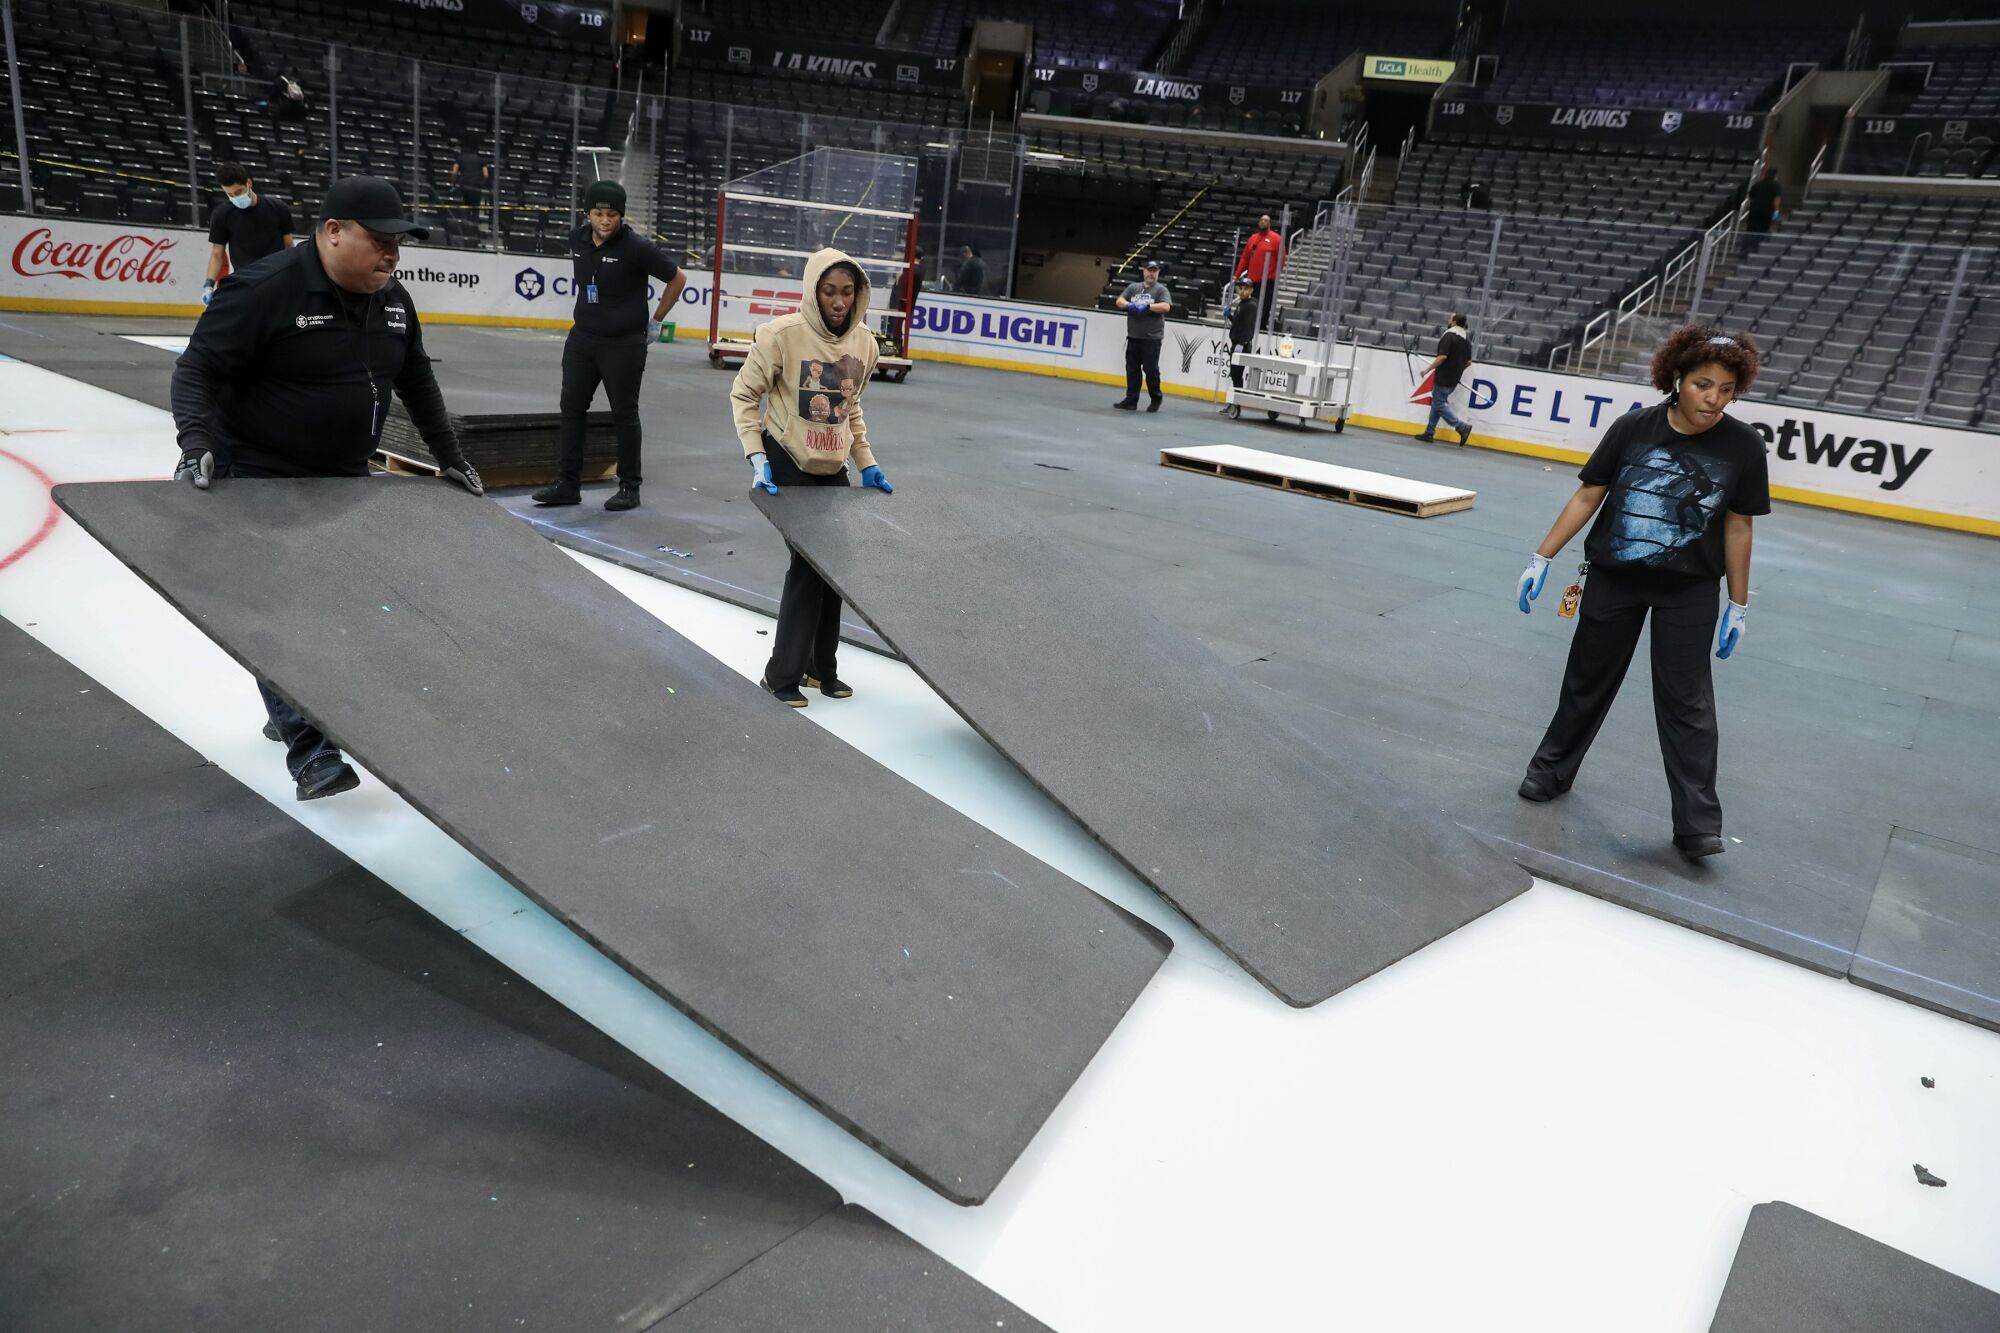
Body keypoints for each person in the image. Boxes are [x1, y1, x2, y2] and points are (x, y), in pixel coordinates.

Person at [169, 175, 484, 802]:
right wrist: (195, 444)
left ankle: (288, 701)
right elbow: (196, 368)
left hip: (343, 476)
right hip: (257, 471)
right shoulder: (265, 288)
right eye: (381, 241)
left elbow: (416, 378)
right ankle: (313, 752)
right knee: (277, 610)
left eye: (400, 244)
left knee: (341, 606)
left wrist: (449, 456)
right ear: (333, 231)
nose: (393, 256)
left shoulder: (393, 299)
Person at [1514, 325, 1769, 860]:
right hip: (1614, 577)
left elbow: (1739, 527)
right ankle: (1551, 771)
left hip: (1690, 590)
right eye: (1704, 385)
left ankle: (1697, 822)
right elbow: (1589, 496)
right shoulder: (1633, 428)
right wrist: (1543, 557)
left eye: (1726, 389)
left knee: (1687, 703)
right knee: (1587, 680)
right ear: (1676, 378)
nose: (1714, 399)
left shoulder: (1744, 445)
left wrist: (1739, 604)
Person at [730, 248, 892, 709]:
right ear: (813, 291)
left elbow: (850, 408)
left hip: (832, 466)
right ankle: (780, 676)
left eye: (847, 292)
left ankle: (822, 669)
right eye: (829, 291)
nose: (839, 301)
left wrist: (866, 461)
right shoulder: (780, 336)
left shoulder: (865, 344)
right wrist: (756, 456)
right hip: (785, 460)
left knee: (834, 570)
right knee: (808, 565)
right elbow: (744, 395)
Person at [530, 180, 685, 512]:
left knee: (624, 414)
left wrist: (656, 320)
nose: (604, 221)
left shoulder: (637, 248)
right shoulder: (577, 240)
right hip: (582, 339)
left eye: (612, 214)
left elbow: (677, 279)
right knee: (571, 410)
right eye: (598, 213)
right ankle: (568, 484)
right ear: (587, 213)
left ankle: (630, 486)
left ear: (621, 216)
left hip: (624, 344)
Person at [203, 162, 293, 308]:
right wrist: (208, 285)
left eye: (238, 192)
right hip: (245, 284)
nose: (235, 197)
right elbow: (217, 254)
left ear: (249, 183)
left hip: (277, 280)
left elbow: (289, 245)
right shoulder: (221, 215)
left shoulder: (278, 208)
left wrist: (293, 274)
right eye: (229, 194)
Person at [1113, 259, 1170, 412]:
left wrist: (1148, 307)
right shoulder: (1134, 287)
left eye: (1154, 271)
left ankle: (1156, 398)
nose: (1151, 273)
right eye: (1149, 270)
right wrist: (1129, 305)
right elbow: (1119, 301)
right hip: (1134, 337)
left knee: (1151, 370)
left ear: (1158, 273)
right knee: (1132, 370)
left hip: (1151, 339)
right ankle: (1131, 400)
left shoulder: (1161, 290)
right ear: (1143, 271)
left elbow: (1166, 306)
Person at [1415, 312, 1474, 446]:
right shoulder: (1466, 339)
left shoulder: (1448, 336)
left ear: (1453, 322)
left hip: (1444, 376)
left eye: (1450, 318)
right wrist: (1458, 371)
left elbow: (1442, 357)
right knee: (1438, 402)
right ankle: (1429, 432)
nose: (1448, 320)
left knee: (1439, 404)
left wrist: (1427, 369)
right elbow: (1469, 362)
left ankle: (1461, 427)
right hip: (1454, 377)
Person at [1232, 212, 1286, 331]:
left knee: (1264, 306)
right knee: (1250, 304)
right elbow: (1245, 258)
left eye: (1266, 220)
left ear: (1270, 224)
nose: (1263, 222)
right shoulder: (1253, 238)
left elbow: (1281, 259)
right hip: (1252, 280)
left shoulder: (1276, 239)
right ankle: (1246, 326)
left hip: (1267, 281)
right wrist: (1236, 274)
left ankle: (1261, 327)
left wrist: (1274, 275)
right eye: (1261, 220)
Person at [1223, 274, 1257, 404]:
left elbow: (1248, 327)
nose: (1242, 291)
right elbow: (1238, 324)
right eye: (1241, 288)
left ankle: (1236, 403)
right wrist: (1230, 316)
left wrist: (1242, 343)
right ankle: (1234, 403)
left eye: (1245, 289)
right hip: (1237, 344)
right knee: (1234, 375)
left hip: (1242, 345)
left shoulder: (1251, 306)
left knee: (1237, 375)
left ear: (1251, 290)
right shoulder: (1242, 304)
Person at [449, 141, 489, 238]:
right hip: (476, 187)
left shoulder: (460, 159)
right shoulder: (481, 160)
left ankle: (465, 230)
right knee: (475, 210)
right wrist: (481, 183)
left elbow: (454, 172)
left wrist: (454, 184)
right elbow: (486, 175)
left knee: (465, 208)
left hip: (464, 186)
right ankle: (474, 232)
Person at [1743, 167, 1782, 259]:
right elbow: (1776, 198)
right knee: (1762, 230)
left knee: (1751, 230)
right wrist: (1776, 210)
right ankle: (1757, 249)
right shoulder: (1776, 185)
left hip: (1754, 210)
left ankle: (1746, 250)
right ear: (1775, 175)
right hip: (1766, 211)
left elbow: (1750, 195)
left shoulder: (1758, 184)